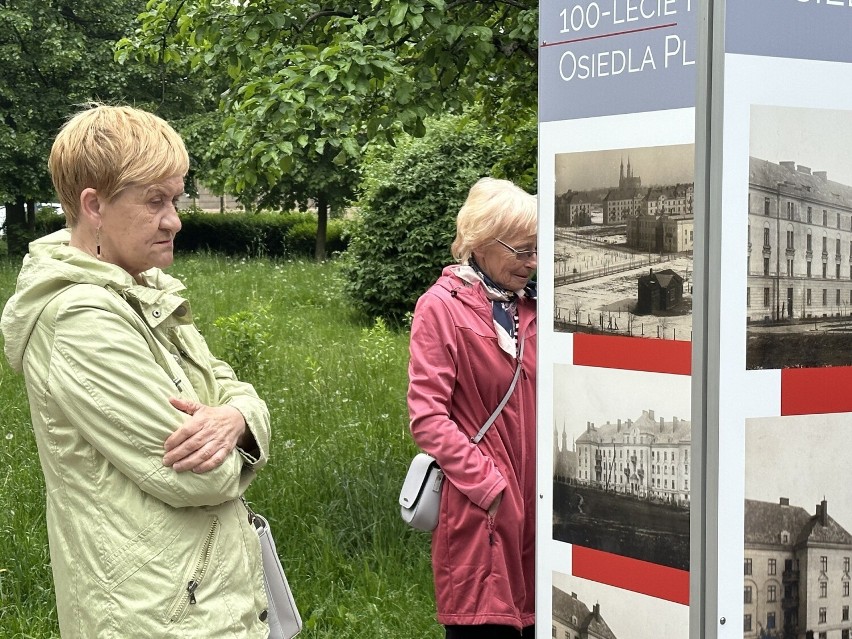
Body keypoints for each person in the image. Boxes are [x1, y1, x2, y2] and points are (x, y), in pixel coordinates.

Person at [1, 104, 272, 638]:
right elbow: (206, 474)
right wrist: (240, 416)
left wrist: (239, 416)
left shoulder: (142, 291)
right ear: (94, 205)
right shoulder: (80, 319)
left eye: (175, 198)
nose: (174, 219)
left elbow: (230, 386)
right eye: (155, 201)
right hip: (151, 616)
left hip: (200, 600)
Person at [407, 177, 538, 639]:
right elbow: (428, 417)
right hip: (481, 511)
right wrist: (489, 487)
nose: (533, 262)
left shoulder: (536, 309)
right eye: (522, 250)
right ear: (481, 242)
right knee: (487, 622)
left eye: (537, 249)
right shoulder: (440, 307)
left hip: (539, 511)